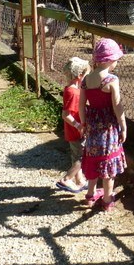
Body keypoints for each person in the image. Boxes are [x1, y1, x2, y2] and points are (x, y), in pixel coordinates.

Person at [79, 38, 127, 212]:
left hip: (92, 127)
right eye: (115, 60)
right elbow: (117, 106)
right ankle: (107, 199)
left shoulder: (86, 79)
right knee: (108, 163)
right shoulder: (111, 80)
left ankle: (90, 196)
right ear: (108, 60)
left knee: (93, 160)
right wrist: (123, 126)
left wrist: (83, 124)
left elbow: (81, 105)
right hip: (108, 129)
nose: (116, 63)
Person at [56, 57, 90, 194]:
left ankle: (80, 180)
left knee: (76, 156)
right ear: (80, 75)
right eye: (87, 74)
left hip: (74, 130)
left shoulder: (72, 89)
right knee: (82, 157)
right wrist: (79, 126)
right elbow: (66, 115)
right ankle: (66, 179)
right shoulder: (73, 92)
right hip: (76, 131)